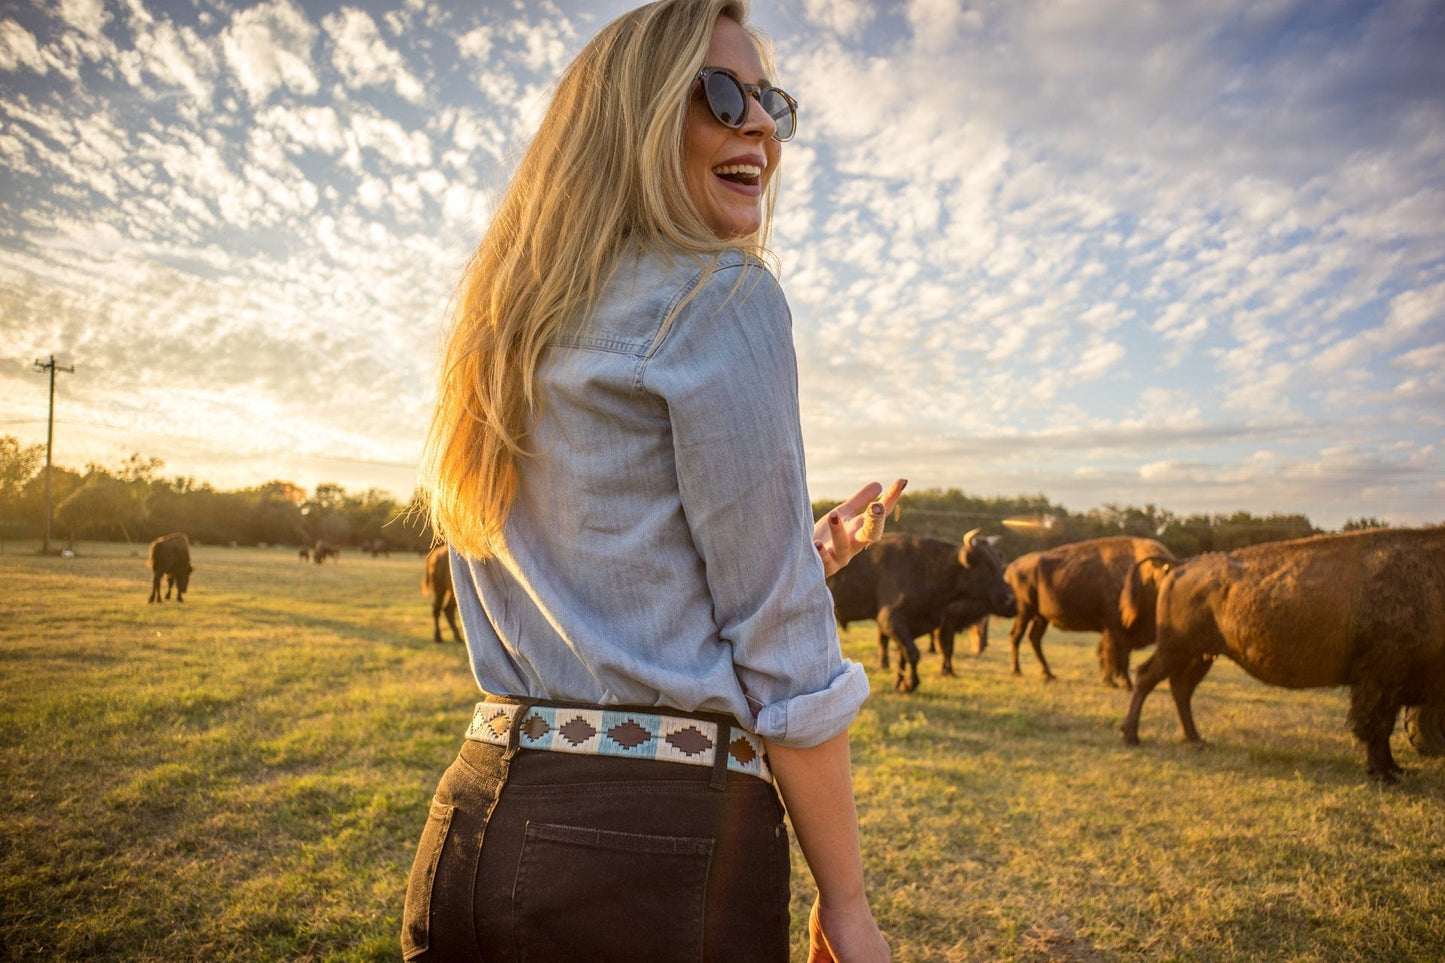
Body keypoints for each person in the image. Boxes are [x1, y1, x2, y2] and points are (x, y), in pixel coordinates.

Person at [403, 2, 900, 960]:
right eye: (722, 94)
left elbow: (603, 581)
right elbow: (785, 655)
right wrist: (847, 902)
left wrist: (795, 559)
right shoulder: (722, 295)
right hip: (657, 853)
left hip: (472, 821)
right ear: (633, 117)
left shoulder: (507, 326)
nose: (758, 123)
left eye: (772, 102)